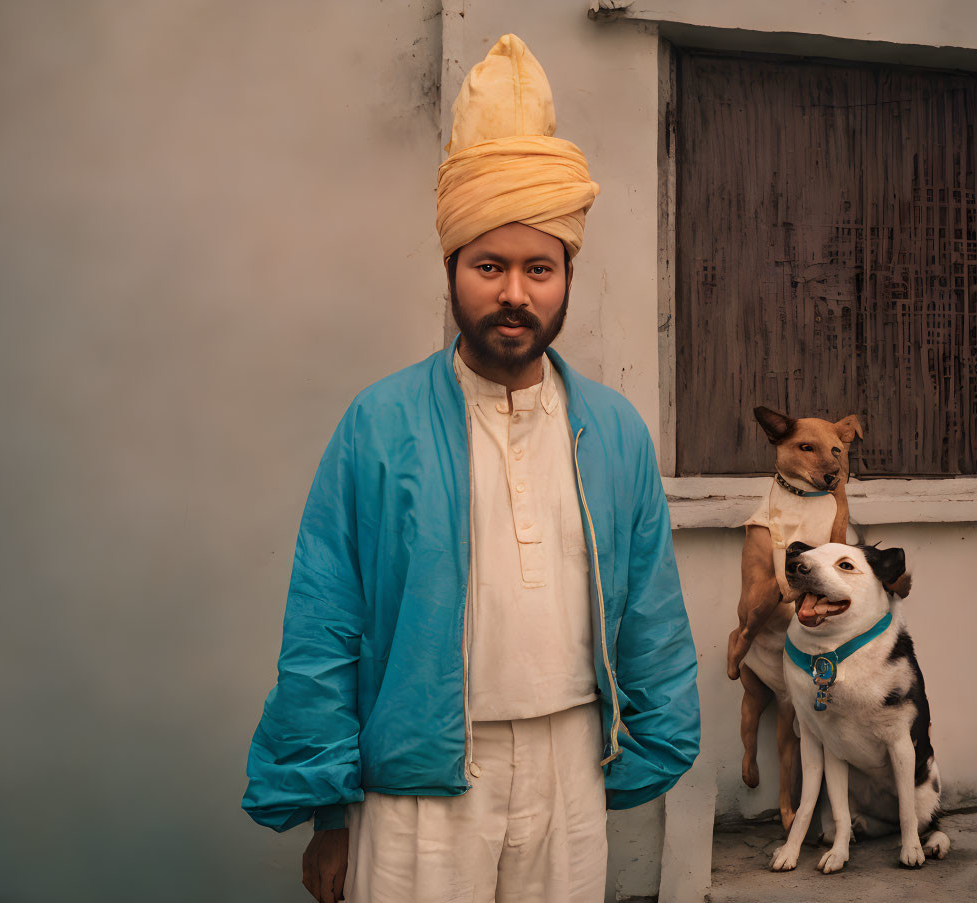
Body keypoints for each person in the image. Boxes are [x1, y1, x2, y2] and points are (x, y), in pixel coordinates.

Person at [242, 34, 701, 903]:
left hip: (571, 763)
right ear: (451, 269)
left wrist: (655, 741)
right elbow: (324, 623)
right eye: (489, 266)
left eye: (539, 268)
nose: (514, 293)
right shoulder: (378, 425)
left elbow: (649, 608)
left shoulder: (612, 431)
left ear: (569, 274)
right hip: (419, 776)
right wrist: (328, 811)